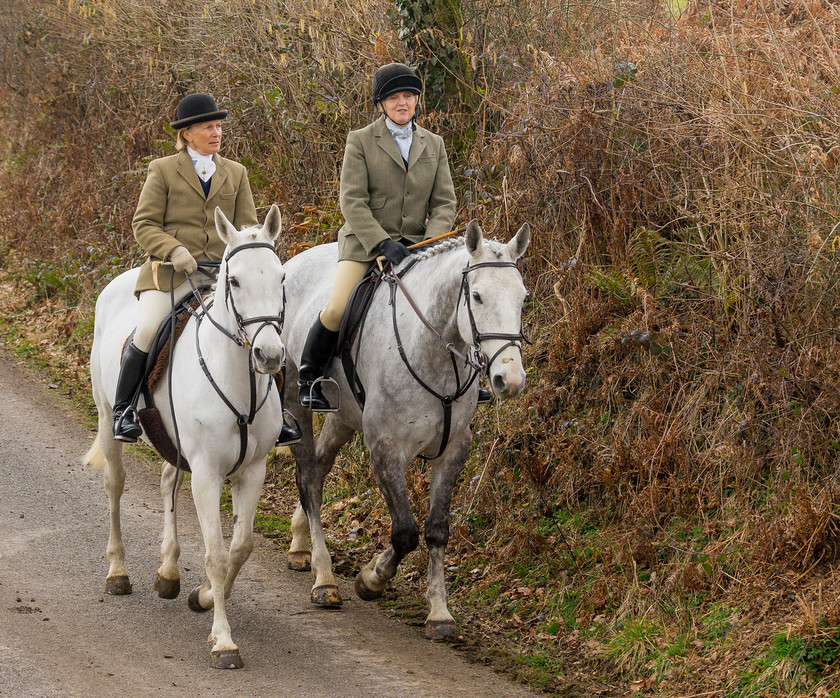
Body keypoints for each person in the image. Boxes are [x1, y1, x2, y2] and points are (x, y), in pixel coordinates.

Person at [297, 63, 491, 411]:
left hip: (420, 247)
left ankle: (469, 378)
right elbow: (351, 200)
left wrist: (428, 245)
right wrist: (381, 242)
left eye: (409, 96)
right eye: (394, 97)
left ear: (417, 100)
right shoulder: (360, 141)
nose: (403, 103)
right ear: (381, 103)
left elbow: (445, 201)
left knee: (451, 302)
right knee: (338, 306)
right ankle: (309, 377)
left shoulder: (434, 143)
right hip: (365, 244)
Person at [112, 93, 301, 447]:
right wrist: (174, 249)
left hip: (223, 277)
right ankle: (124, 410)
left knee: (266, 329)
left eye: (218, 126)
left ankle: (279, 414)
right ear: (187, 134)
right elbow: (144, 224)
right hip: (173, 276)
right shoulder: (163, 170)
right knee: (150, 330)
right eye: (207, 127)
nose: (216, 133)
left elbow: (246, 227)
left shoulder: (236, 172)